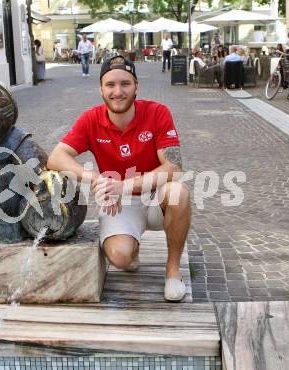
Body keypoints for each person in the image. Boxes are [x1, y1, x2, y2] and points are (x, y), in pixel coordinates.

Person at [47, 56, 191, 302]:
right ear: (101, 89)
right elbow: (56, 157)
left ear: (136, 86)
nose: (118, 91)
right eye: (110, 85)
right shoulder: (91, 119)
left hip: (155, 196)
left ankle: (173, 271)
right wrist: (95, 179)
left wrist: (123, 186)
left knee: (179, 192)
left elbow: (174, 167)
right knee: (120, 258)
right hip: (120, 203)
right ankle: (133, 251)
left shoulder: (157, 112)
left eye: (125, 84)